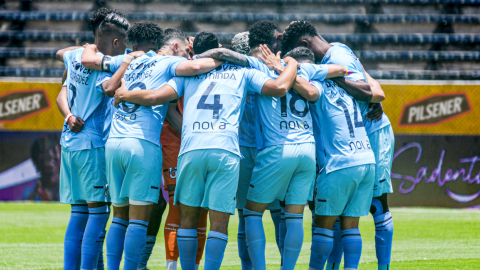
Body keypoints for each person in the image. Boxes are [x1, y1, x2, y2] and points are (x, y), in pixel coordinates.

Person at [113, 31, 299, 270]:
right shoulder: (242, 72)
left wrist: (127, 94)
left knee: (188, 220)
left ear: (195, 51)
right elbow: (281, 87)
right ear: (218, 48)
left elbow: (153, 96)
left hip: (191, 150)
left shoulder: (187, 73)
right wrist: (292, 63)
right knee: (219, 224)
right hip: (226, 151)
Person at [81, 24, 224, 270]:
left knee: (119, 217)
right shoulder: (166, 63)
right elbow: (198, 66)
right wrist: (225, 56)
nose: (187, 58)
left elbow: (89, 60)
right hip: (142, 144)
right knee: (138, 220)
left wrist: (87, 47)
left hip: (114, 143)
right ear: (176, 47)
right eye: (185, 53)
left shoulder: (129, 60)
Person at [282, 21, 393, 270]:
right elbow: (371, 86)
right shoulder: (339, 56)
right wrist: (365, 92)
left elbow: (364, 90)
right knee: (349, 223)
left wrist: (280, 66)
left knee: (332, 220)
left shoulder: (324, 75)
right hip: (364, 154)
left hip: (349, 151)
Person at [54, 11, 130, 270]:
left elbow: (59, 57)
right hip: (91, 144)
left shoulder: (75, 56)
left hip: (69, 143)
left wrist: (68, 117)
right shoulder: (104, 65)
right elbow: (110, 90)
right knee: (99, 213)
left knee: (79, 213)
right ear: (117, 43)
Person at [158, 28, 208, 270]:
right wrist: (195, 133)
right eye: (188, 51)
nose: (190, 56)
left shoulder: (199, 70)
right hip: (174, 143)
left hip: (198, 147)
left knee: (203, 210)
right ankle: (171, 265)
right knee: (178, 206)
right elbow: (169, 110)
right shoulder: (175, 71)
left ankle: (194, 265)